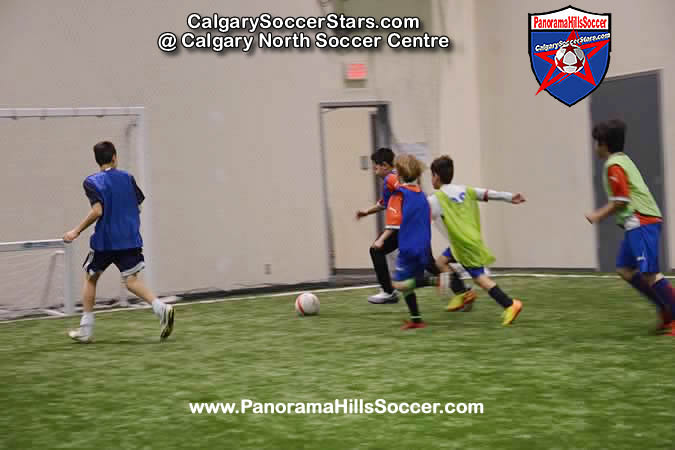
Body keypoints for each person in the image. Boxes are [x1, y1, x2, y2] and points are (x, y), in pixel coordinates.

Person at [63, 141, 174, 343]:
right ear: (115, 157)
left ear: (97, 161)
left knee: (90, 277)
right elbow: (138, 204)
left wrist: (75, 231)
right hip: (129, 238)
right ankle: (161, 308)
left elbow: (97, 211)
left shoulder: (91, 181)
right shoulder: (128, 178)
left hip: (105, 241)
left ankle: (86, 330)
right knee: (131, 282)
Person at [585, 119, 675, 335]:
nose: (595, 147)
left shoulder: (614, 165)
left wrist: (597, 215)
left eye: (597, 142)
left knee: (651, 274)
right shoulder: (622, 160)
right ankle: (666, 308)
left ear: (604, 144)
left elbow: (621, 200)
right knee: (624, 270)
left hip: (641, 220)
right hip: (634, 223)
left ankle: (672, 313)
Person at [428, 155, 524, 325]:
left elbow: (422, 218)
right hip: (466, 242)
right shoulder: (466, 190)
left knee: (480, 279)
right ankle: (463, 294)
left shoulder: (436, 200)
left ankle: (510, 304)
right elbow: (488, 194)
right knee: (441, 262)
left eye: (431, 176)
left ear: (435, 176)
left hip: (464, 245)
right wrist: (510, 197)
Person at [387, 154, 433, 330]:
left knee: (399, 283)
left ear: (400, 173)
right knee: (409, 284)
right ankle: (416, 319)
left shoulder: (401, 194)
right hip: (422, 246)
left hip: (407, 247)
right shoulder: (421, 195)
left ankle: (435, 280)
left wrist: (382, 239)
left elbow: (394, 221)